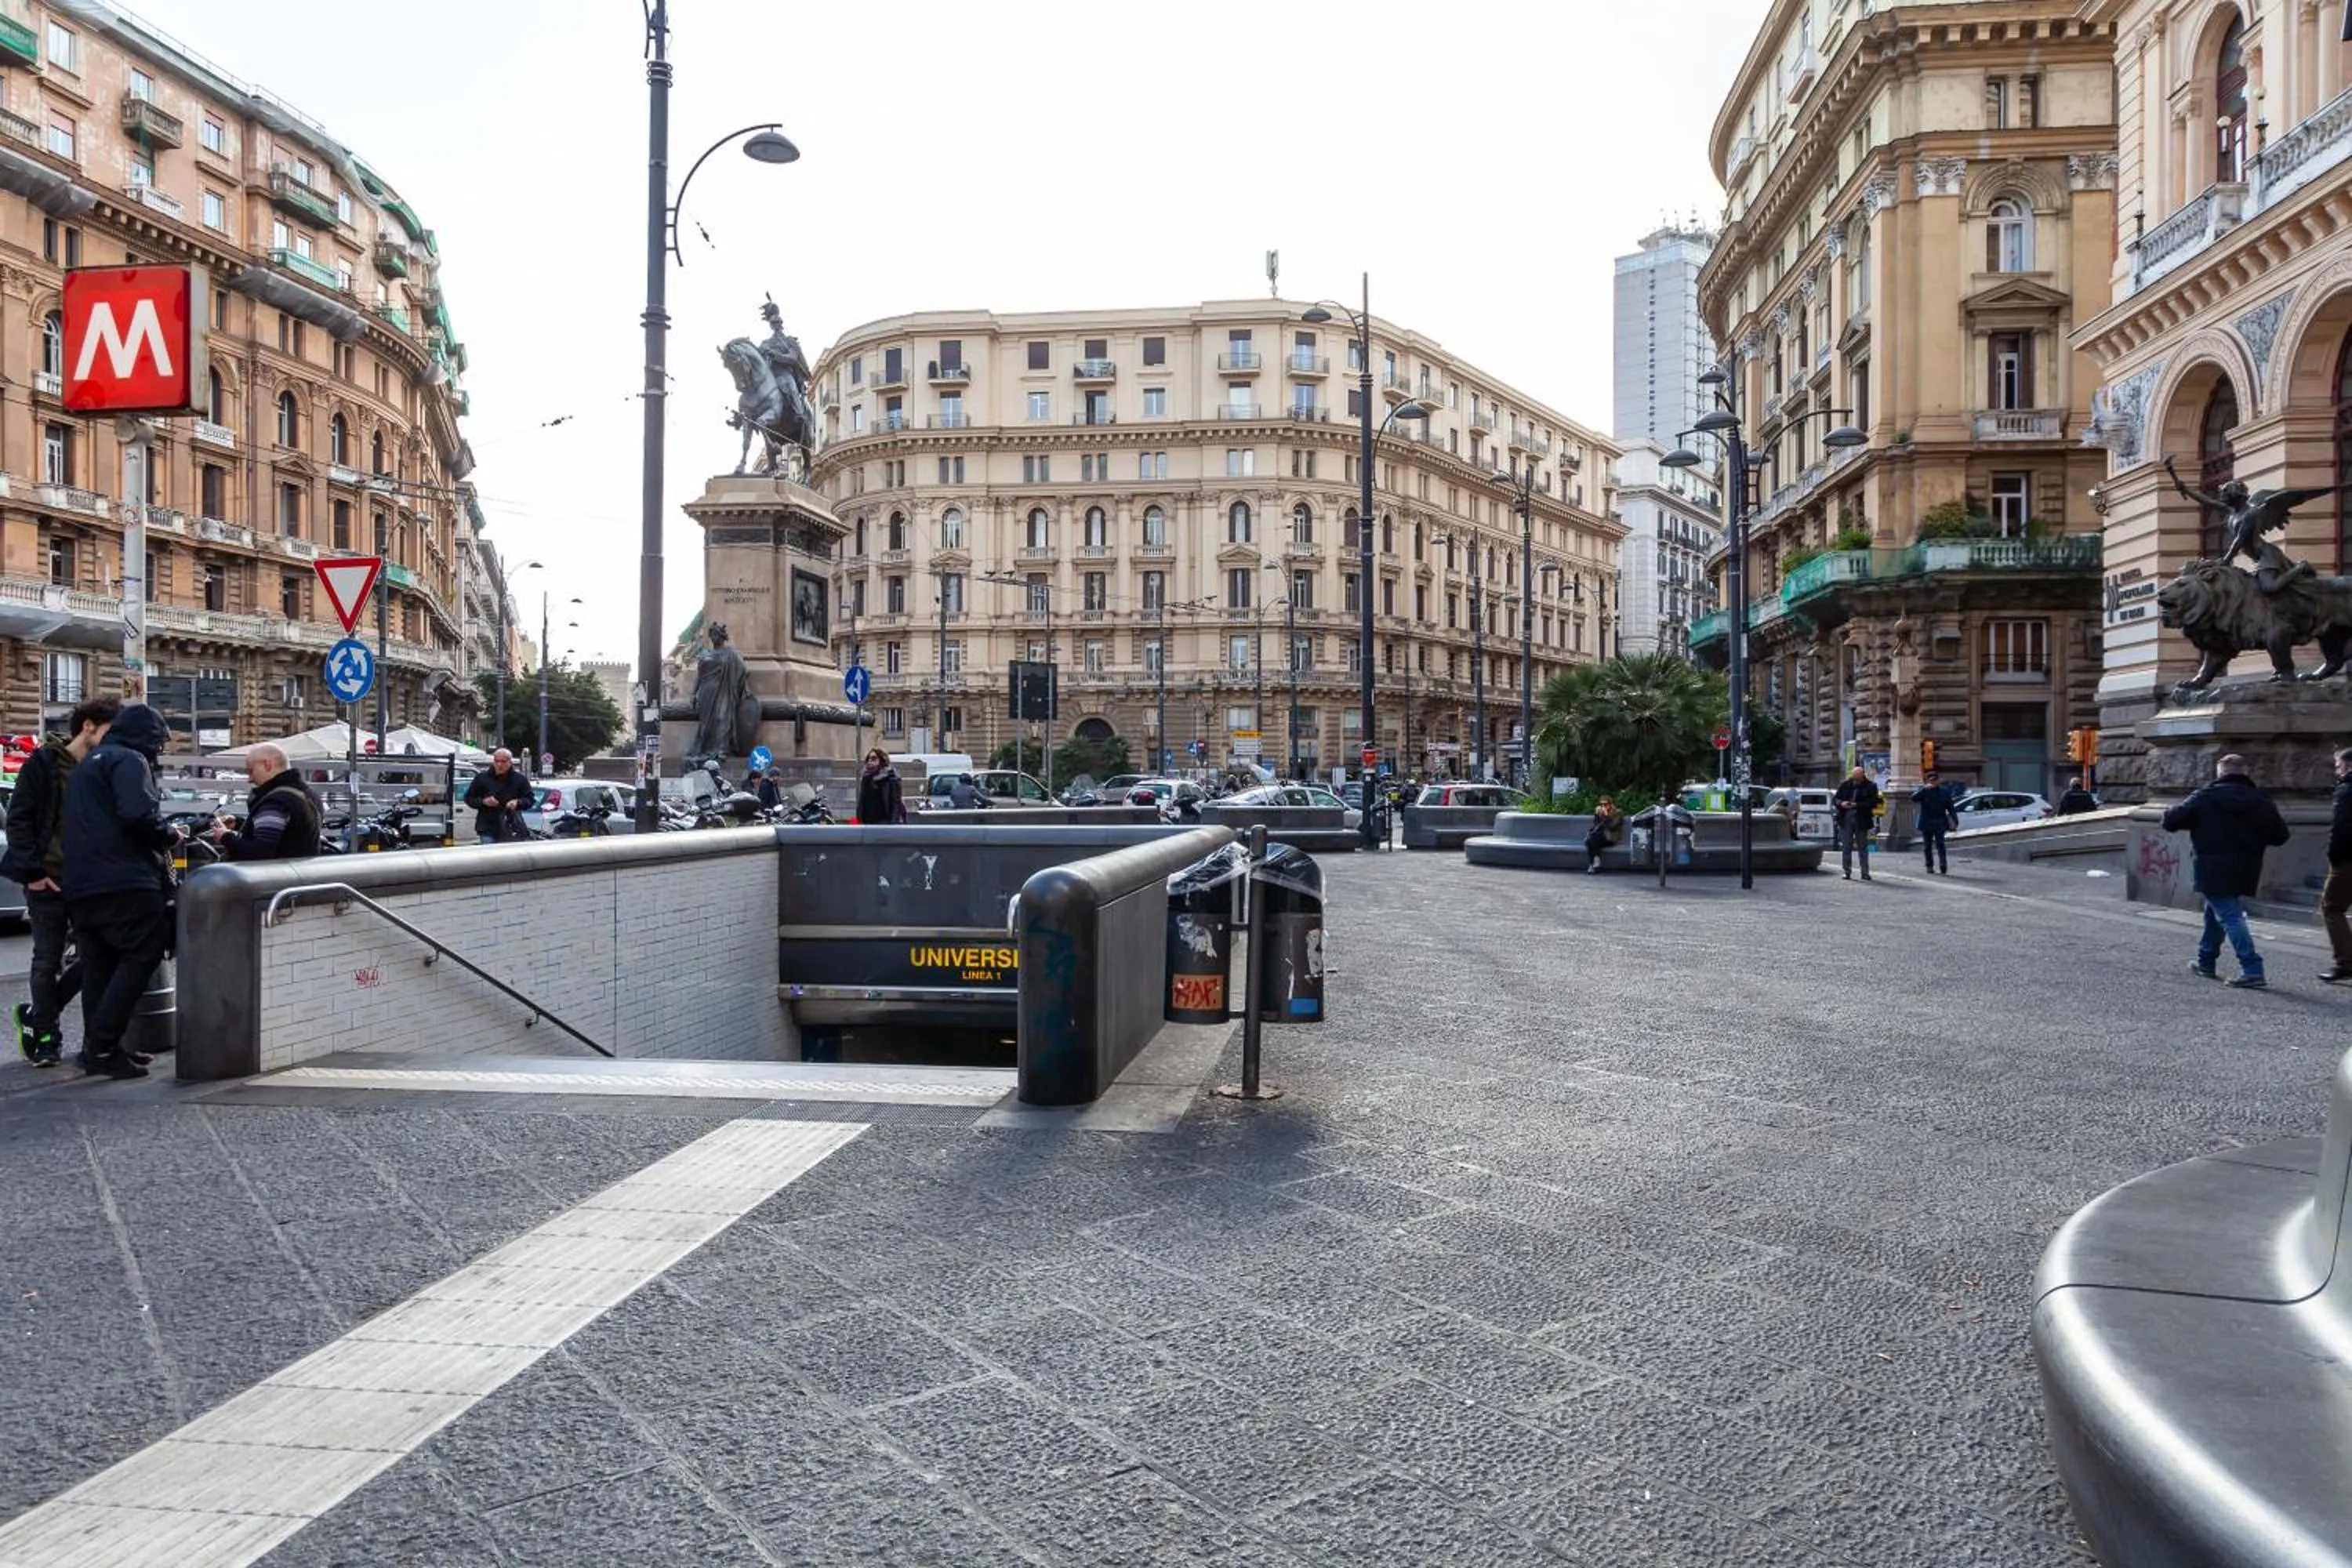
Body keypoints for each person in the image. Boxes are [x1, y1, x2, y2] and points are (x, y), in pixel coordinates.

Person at [60, 702, 180, 1080]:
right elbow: (137, 815)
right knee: (142, 954)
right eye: (158, 744)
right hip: (124, 880)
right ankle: (104, 1045)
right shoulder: (129, 760)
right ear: (147, 738)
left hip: (82, 883)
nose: (158, 752)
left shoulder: (88, 766)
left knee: (99, 966)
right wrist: (170, 834)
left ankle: (97, 1050)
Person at [2, 697, 118, 1065]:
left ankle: (42, 1019)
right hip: (48, 879)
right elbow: (19, 820)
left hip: (92, 883)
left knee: (98, 957)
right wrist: (33, 873)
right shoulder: (45, 762)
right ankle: (48, 1037)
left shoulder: (106, 768)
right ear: (89, 726)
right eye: (110, 732)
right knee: (47, 960)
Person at [2161, 753, 2291, 990]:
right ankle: (2206, 961)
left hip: (2212, 866)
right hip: (2247, 867)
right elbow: (2281, 836)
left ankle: (2252, 968)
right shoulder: (2262, 800)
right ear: (2245, 773)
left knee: (2230, 915)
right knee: (2216, 911)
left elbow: (2171, 821)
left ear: (2220, 772)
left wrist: (2174, 809)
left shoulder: (2204, 797)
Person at [206, 742, 322, 861]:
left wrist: (225, 836)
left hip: (276, 876)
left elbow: (258, 853)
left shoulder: (277, 802)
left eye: (251, 771)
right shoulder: (308, 795)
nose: (250, 779)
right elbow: (290, 835)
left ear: (267, 765)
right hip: (301, 873)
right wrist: (239, 824)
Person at [2321, 747, 2352, 985]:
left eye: (2338, 765)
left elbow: (2341, 829)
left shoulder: (2346, 790)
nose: (2336, 770)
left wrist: (2335, 857)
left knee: (2332, 907)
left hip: (2347, 859)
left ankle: (2346, 961)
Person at [463, 748, 534, 843]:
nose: (499, 764)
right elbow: (469, 798)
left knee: (509, 856)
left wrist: (518, 802)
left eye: (503, 761)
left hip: (512, 827)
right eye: (497, 761)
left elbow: (530, 799)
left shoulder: (520, 779)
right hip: (487, 827)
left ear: (510, 762)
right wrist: (484, 802)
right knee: (489, 856)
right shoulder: (482, 778)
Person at [1832, 766, 1882, 881]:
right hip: (1846, 819)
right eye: (1853, 776)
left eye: (1857, 776)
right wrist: (1842, 804)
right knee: (1846, 847)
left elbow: (1873, 802)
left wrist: (1857, 805)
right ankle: (1847, 871)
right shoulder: (1845, 785)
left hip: (1861, 819)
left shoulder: (1871, 786)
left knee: (1863, 847)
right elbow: (1836, 799)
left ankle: (1865, 872)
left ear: (1862, 775)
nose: (1855, 778)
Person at [1911, 770, 1959, 876]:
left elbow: (1951, 808)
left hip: (1939, 821)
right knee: (1927, 846)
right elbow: (1913, 798)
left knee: (1940, 844)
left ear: (1938, 781)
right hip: (1926, 821)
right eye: (1931, 780)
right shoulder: (1924, 791)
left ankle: (1943, 865)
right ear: (1928, 781)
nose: (1933, 782)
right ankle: (1929, 866)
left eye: (1935, 780)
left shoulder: (1944, 792)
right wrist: (1924, 789)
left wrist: (1955, 821)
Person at [856, 748, 906, 824]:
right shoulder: (866, 778)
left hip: (885, 823)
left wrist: (893, 824)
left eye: (874, 758)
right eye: (868, 758)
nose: (870, 761)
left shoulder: (891, 776)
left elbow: (896, 803)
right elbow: (862, 802)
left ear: (882, 760)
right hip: (867, 824)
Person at [1584, 797, 1624, 875]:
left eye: (1605, 804)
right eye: (1601, 804)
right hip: (1599, 837)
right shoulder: (1600, 812)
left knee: (1590, 840)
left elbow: (1611, 826)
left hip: (1610, 838)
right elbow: (1596, 826)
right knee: (1590, 840)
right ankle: (1595, 863)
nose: (1603, 807)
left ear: (1611, 804)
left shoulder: (1618, 813)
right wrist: (1597, 815)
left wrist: (1606, 815)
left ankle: (1594, 863)